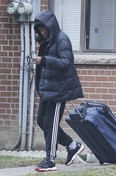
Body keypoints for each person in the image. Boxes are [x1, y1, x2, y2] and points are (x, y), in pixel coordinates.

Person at [32, 10, 84, 172]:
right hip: (48, 89)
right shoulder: (47, 41)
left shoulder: (62, 39)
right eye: (39, 30)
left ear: (50, 26)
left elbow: (66, 62)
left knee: (51, 124)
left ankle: (50, 159)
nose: (42, 32)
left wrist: (44, 60)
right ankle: (72, 145)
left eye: (43, 29)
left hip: (59, 89)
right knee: (41, 120)